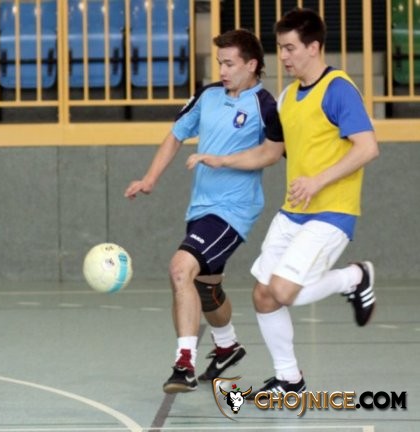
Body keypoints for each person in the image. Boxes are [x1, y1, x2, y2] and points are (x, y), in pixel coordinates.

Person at [191, 8, 380, 397]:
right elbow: (269, 152)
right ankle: (289, 379)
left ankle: (355, 277)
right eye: (280, 48)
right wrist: (222, 160)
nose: (284, 56)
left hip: (332, 212)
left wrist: (318, 180)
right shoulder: (288, 97)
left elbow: (367, 148)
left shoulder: (338, 89)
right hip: (294, 213)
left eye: (291, 48)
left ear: (314, 47)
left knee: (282, 291)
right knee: (263, 295)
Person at [124, 29, 284, 393]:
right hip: (200, 207)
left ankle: (184, 364)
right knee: (205, 288)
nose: (222, 71)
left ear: (251, 65)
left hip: (234, 210)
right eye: (220, 63)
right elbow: (176, 134)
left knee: (181, 268)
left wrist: (222, 160)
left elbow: (271, 154)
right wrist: (150, 178)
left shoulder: (265, 106)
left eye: (230, 64)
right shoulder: (208, 95)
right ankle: (227, 346)